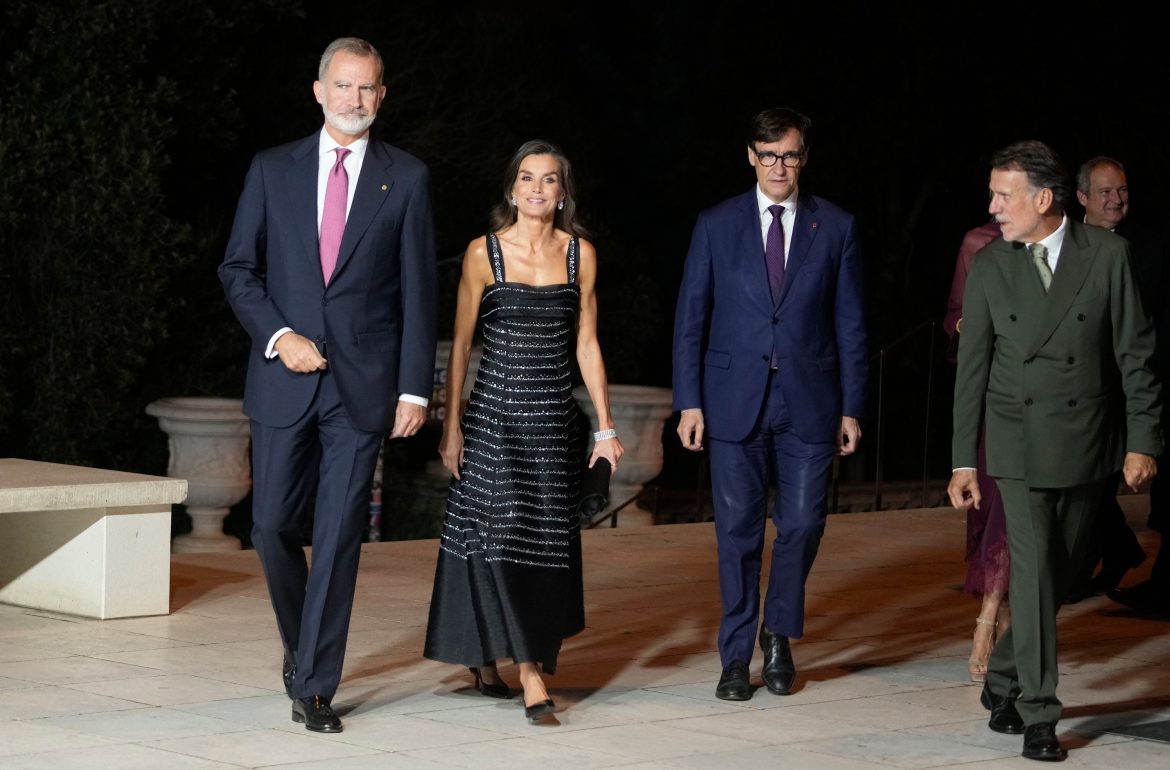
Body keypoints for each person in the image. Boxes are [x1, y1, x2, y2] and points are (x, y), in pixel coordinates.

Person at [218, 37, 438, 733]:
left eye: (367, 89)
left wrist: (414, 389)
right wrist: (280, 338)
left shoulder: (405, 178)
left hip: (363, 389)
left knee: (340, 534)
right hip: (284, 377)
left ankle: (314, 684)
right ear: (319, 91)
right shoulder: (270, 170)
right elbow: (238, 270)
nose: (354, 99)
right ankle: (301, 641)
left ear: (382, 97)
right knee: (270, 525)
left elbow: (418, 291)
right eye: (343, 86)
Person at [948, 140, 1161, 761]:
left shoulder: (1108, 256)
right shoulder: (991, 265)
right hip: (1017, 444)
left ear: (1043, 199)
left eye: (1002, 195)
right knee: (1037, 569)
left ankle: (1006, 672)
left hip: (1089, 443)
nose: (992, 207)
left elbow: (1135, 356)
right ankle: (1039, 712)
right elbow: (973, 372)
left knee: (1059, 572)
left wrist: (1144, 438)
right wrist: (965, 460)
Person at [423, 140, 624, 724]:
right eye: (528, 179)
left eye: (551, 180)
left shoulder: (579, 256)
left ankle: (485, 659)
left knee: (542, 541)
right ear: (511, 189)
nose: (538, 189)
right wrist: (451, 426)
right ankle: (531, 672)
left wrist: (605, 428)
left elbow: (587, 344)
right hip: (494, 420)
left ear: (564, 193)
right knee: (499, 530)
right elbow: (462, 346)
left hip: (552, 426)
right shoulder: (483, 254)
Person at [672, 107, 868, 702]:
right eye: (767, 154)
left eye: (788, 154)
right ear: (750, 156)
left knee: (804, 524)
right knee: (737, 533)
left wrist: (852, 406)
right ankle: (735, 657)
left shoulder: (835, 227)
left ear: (803, 157)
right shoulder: (715, 223)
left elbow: (851, 324)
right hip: (732, 403)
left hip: (810, 401)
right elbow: (691, 320)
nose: (778, 165)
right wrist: (690, 403)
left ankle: (778, 634)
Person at [1063, 157, 1148, 602]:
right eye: (1105, 192)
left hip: (1119, 391)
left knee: (1095, 484)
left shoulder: (1136, 247)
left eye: (1122, 191)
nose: (1116, 200)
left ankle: (1099, 560)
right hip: (1077, 391)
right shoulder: (1064, 245)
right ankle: (1115, 552)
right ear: (1081, 198)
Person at [943, 219, 1011, 682]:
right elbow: (954, 314)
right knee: (989, 505)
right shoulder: (978, 243)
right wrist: (972, 324)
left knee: (1012, 508)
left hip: (1047, 406)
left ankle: (989, 618)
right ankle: (999, 611)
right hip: (990, 393)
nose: (997, 205)